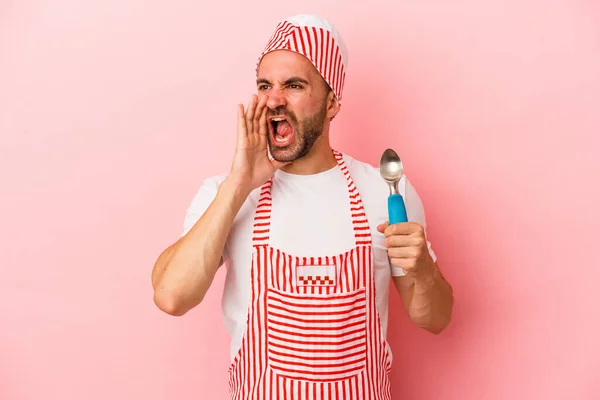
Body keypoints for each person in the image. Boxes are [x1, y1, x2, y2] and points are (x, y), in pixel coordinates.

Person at [151, 14, 454, 399]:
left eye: (294, 85)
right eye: (265, 85)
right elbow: (171, 297)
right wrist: (239, 183)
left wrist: (424, 270)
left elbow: (435, 319)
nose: (273, 99)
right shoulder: (226, 192)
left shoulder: (385, 192)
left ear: (331, 103)